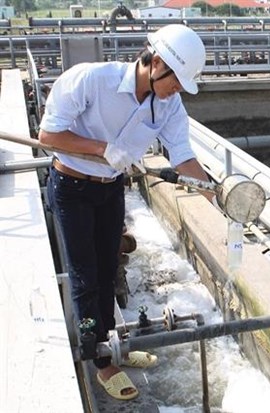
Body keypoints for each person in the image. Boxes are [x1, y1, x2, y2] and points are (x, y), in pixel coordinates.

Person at [39, 24, 213, 401]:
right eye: (178, 80)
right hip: (72, 187)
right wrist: (104, 148)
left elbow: (183, 156)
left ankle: (111, 343)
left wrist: (220, 194)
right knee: (85, 275)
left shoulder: (168, 104)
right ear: (157, 62)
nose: (179, 88)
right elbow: (49, 136)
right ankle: (99, 360)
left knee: (108, 267)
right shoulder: (91, 80)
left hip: (110, 188)